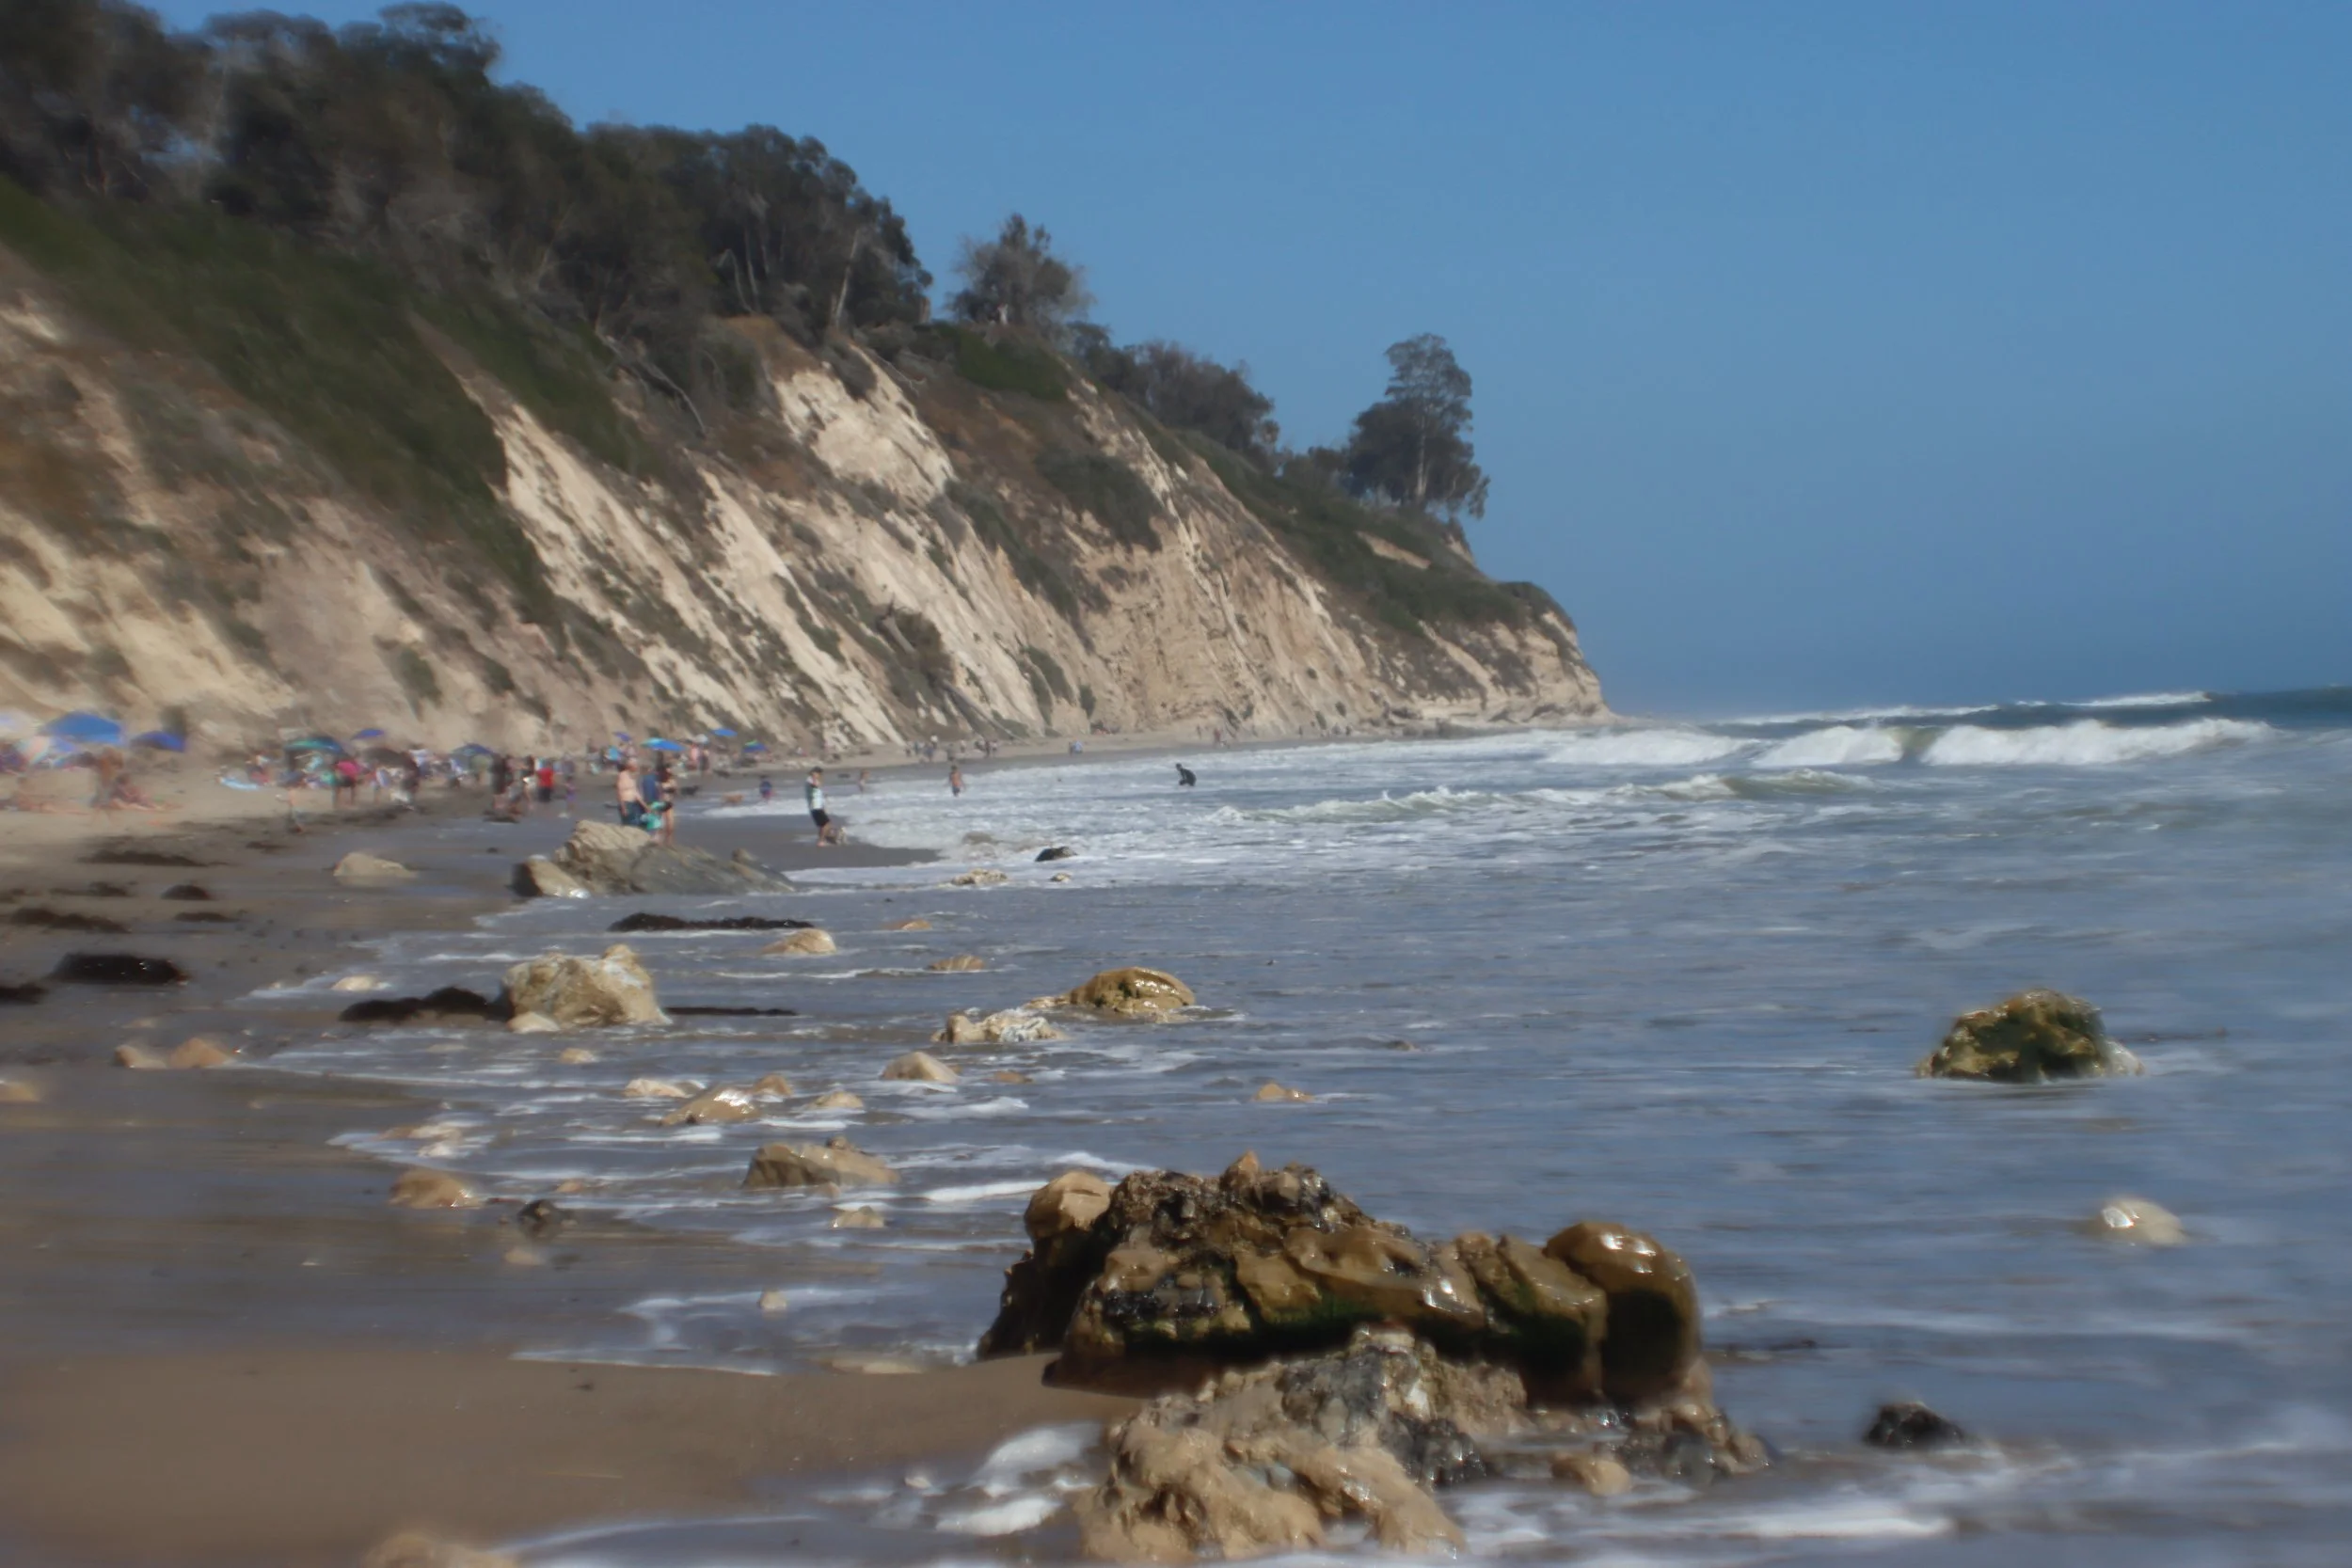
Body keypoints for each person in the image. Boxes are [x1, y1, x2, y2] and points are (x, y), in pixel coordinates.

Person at [805, 767, 841, 847]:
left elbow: (817, 792)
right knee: (826, 824)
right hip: (815, 806)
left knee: (824, 824)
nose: (820, 776)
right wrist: (814, 777)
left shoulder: (813, 780)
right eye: (819, 774)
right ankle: (821, 841)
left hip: (818, 806)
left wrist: (823, 801)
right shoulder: (810, 779)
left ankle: (825, 839)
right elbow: (814, 786)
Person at [615, 759, 645, 827]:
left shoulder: (632, 777)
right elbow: (620, 792)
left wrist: (645, 806)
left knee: (635, 824)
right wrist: (623, 807)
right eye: (635, 766)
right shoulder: (622, 776)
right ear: (630, 766)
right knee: (627, 825)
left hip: (633, 804)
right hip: (626, 803)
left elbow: (635, 793)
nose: (637, 767)